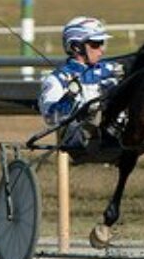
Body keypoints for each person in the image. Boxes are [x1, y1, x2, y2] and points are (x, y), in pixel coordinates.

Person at [38, 16, 121, 158]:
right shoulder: (57, 79)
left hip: (114, 129)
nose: (101, 50)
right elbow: (51, 118)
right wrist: (69, 96)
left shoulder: (111, 69)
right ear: (76, 47)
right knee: (93, 113)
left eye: (102, 43)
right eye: (95, 44)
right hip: (77, 141)